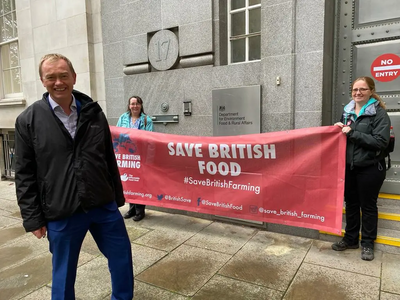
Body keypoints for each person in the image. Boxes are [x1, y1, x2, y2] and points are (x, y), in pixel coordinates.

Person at [14, 53, 134, 299]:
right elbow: (24, 174)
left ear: (74, 77)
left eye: (63, 75)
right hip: (62, 210)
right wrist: (33, 218)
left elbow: (108, 157)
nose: (58, 82)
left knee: (122, 259)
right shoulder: (28, 120)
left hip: (102, 204)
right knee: (64, 274)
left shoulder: (93, 112)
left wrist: (117, 197)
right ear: (42, 81)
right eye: (51, 77)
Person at [331, 76, 391, 261]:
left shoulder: (379, 114)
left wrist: (353, 134)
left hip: (370, 168)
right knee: (351, 204)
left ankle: (367, 244)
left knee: (368, 206)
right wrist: (336, 129)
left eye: (363, 89)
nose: (358, 93)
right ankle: (350, 239)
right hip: (349, 167)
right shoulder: (347, 112)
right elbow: (343, 136)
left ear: (371, 91)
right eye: (355, 89)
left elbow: (381, 141)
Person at [117, 96, 153, 221]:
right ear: (129, 105)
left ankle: (140, 210)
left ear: (141, 105)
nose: (135, 106)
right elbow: (117, 134)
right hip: (126, 156)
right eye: (132, 103)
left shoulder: (146, 120)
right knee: (129, 182)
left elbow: (149, 138)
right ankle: (131, 208)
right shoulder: (123, 118)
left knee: (140, 183)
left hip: (140, 157)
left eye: (137, 103)